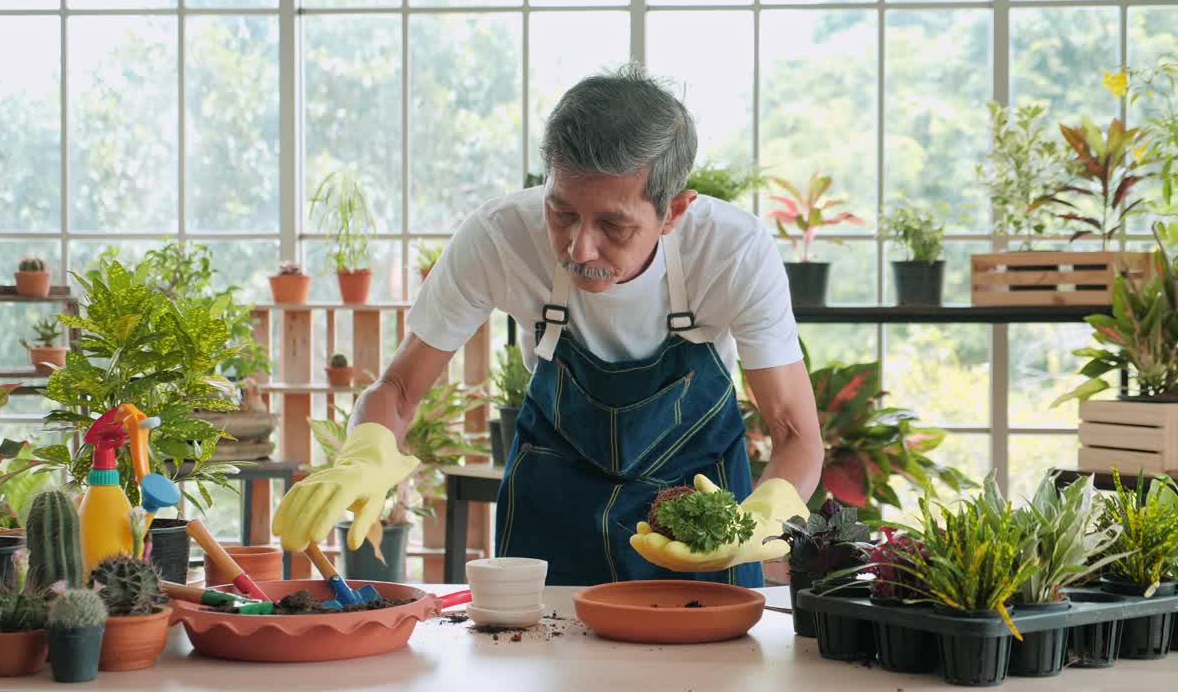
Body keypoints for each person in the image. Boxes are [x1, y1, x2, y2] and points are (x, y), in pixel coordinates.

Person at [273, 63, 824, 587]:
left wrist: (767, 511)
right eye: (562, 213)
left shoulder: (732, 251)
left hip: (699, 524)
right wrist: (366, 451)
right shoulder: (497, 237)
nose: (580, 247)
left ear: (674, 212)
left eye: (614, 224)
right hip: (554, 506)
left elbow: (797, 435)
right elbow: (397, 388)